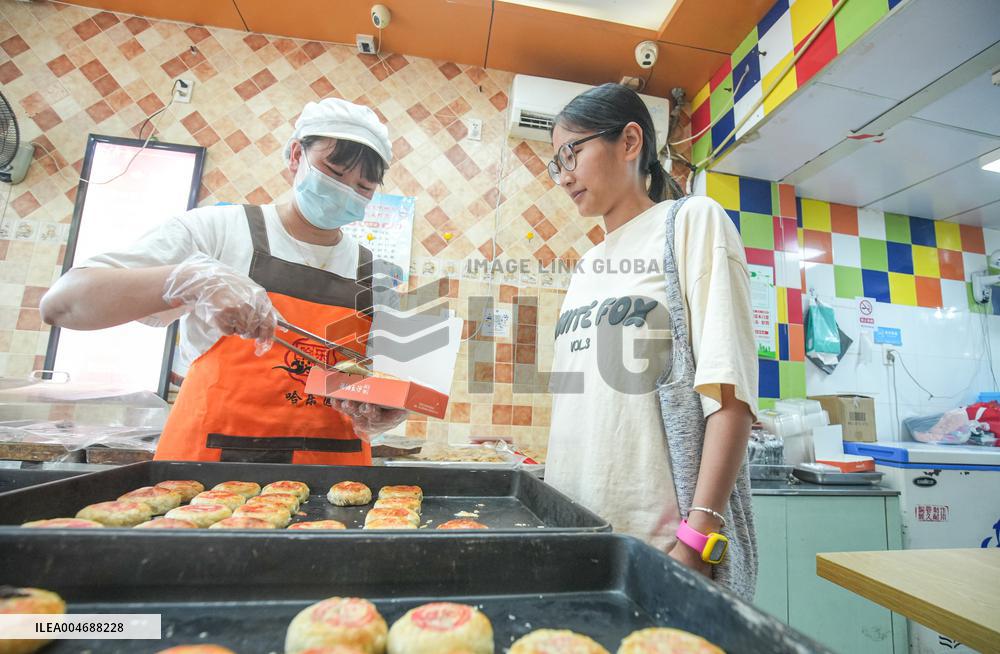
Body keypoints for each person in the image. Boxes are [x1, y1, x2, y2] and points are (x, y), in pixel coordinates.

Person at [40, 98, 407, 464]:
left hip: (334, 485)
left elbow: (390, 385)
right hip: (207, 470)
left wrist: (383, 408)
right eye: (334, 172)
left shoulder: (377, 275)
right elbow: (62, 304)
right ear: (296, 155)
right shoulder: (218, 231)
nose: (345, 191)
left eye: (363, 187)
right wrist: (188, 279)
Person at [544, 84, 758, 599]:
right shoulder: (587, 266)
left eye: (571, 152)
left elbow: (729, 392)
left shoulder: (690, 222)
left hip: (659, 547)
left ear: (630, 140)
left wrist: (695, 541)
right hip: (577, 541)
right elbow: (588, 406)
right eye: (556, 163)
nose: (564, 175)